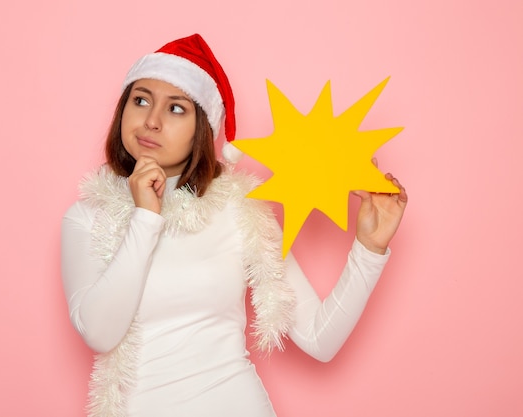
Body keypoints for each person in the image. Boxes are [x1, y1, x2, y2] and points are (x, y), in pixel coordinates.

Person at [61, 33, 407, 417]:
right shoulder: (88, 216)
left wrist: (369, 250)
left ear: (203, 128)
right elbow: (100, 332)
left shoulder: (240, 209)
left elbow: (317, 339)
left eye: (177, 109)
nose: (152, 121)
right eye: (140, 100)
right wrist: (145, 217)